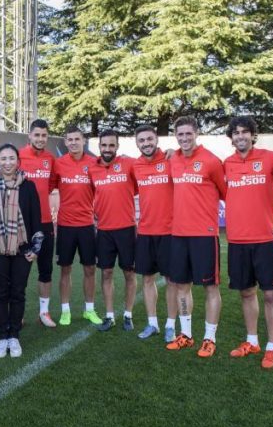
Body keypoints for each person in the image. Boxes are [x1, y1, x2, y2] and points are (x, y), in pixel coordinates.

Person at [222, 116, 273, 369]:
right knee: (246, 292)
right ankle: (252, 341)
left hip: (265, 240)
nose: (240, 136)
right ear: (231, 137)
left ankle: (272, 347)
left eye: (245, 132)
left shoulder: (271, 158)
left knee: (270, 294)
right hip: (237, 240)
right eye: (236, 133)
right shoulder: (227, 164)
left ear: (252, 135)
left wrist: (271, 211)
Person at [0, 143, 44, 357]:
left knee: (18, 292)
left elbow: (36, 219)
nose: (8, 163)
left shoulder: (29, 187)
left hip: (23, 250)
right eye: (3, 159)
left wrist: (36, 248)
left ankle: (14, 336)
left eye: (11, 158)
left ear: (18, 161)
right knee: (0, 292)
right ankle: (2, 337)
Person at [166, 116, 226, 358]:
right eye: (180, 135)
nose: (184, 139)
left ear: (197, 133)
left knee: (210, 287)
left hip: (204, 235)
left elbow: (225, 192)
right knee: (182, 286)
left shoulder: (211, 161)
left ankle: (210, 338)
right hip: (178, 234)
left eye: (188, 134)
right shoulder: (173, 159)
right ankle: (187, 335)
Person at [131, 125, 181, 341]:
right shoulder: (135, 166)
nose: (146, 143)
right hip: (145, 232)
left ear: (157, 140)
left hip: (170, 232)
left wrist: (174, 151)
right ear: (137, 143)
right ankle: (153, 324)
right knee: (147, 279)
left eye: (149, 139)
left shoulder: (171, 160)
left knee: (172, 281)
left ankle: (171, 324)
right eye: (141, 140)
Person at [50, 126, 102, 326]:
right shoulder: (59, 164)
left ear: (84, 141)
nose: (73, 143)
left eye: (76, 139)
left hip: (88, 225)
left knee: (90, 269)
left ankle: (89, 309)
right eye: (69, 139)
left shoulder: (93, 163)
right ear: (65, 141)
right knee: (65, 269)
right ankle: (65, 311)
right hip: (65, 226)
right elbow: (49, 187)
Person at [88, 129, 137, 332]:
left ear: (117, 146)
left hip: (126, 229)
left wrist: (168, 151)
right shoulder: (93, 169)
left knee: (129, 273)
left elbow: (149, 163)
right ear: (99, 147)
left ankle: (128, 315)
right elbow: (92, 194)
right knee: (106, 273)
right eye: (104, 145)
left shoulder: (129, 164)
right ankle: (109, 316)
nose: (107, 149)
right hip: (104, 231)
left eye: (111, 145)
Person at [19, 119, 57, 327]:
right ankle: (19, 312)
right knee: (21, 271)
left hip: (44, 223)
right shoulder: (18, 156)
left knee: (45, 270)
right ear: (29, 136)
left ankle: (44, 312)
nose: (40, 139)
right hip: (23, 225)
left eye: (44, 135)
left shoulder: (50, 159)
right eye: (37, 135)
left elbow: (50, 186)